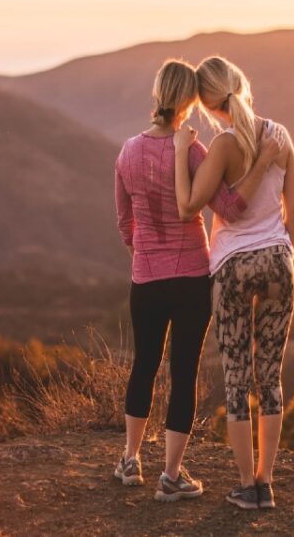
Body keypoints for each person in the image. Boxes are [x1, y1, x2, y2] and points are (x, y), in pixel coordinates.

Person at [113, 58, 281, 502]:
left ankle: (130, 460)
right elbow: (230, 208)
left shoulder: (128, 151)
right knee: (183, 372)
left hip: (146, 277)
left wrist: (143, 249)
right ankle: (171, 475)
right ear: (190, 102)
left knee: (144, 365)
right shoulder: (193, 152)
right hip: (191, 278)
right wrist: (262, 164)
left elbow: (124, 220)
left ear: (156, 96)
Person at [172, 56, 294, 510]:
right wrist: (285, 254)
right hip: (279, 263)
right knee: (271, 377)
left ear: (208, 105)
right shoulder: (281, 136)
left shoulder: (224, 146)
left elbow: (207, 206)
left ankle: (247, 485)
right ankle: (267, 482)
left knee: (236, 378)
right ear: (243, 84)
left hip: (232, 268)